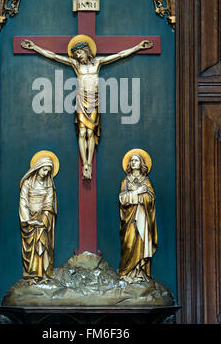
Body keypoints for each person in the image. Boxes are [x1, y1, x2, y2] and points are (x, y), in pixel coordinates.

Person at [21, 35, 153, 180]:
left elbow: (119, 55)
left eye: (80, 53)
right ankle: (85, 163)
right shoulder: (76, 65)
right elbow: (53, 56)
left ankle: (89, 162)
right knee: (82, 132)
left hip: (94, 100)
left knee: (91, 133)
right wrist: (35, 48)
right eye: (76, 54)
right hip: (81, 99)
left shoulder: (98, 63)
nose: (78, 56)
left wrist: (137, 47)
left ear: (86, 51)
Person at [19, 150, 59, 283]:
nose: (46, 173)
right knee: (32, 249)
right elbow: (23, 202)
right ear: (38, 168)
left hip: (42, 220)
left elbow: (49, 203)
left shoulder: (48, 185)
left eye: (48, 171)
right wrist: (28, 220)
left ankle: (41, 275)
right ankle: (31, 275)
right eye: (44, 170)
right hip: (29, 220)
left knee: (42, 244)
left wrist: (42, 221)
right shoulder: (27, 184)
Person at [119, 149, 158, 283]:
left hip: (142, 218)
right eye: (132, 160)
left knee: (141, 244)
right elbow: (122, 200)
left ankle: (139, 273)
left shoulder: (146, 181)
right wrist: (137, 192)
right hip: (129, 218)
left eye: (136, 160)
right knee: (129, 245)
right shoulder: (125, 181)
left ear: (141, 164)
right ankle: (126, 273)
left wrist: (142, 196)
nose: (133, 162)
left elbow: (151, 199)